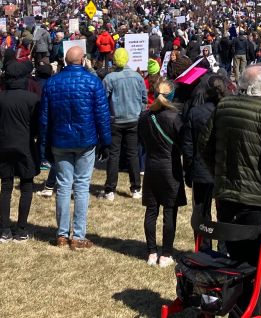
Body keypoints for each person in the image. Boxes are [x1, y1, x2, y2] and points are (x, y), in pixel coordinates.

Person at [201, 64, 261, 318]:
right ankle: (247, 312)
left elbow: (205, 147)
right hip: (255, 200)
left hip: (228, 195)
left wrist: (221, 176)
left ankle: (236, 308)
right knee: (257, 262)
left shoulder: (225, 105)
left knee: (234, 257)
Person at [38, 44, 112, 250]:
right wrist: (106, 142)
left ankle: (63, 234)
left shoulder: (53, 83)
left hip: (63, 140)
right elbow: (102, 116)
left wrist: (44, 145)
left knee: (64, 187)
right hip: (83, 140)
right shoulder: (93, 82)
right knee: (80, 187)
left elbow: (44, 119)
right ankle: (77, 235)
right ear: (84, 60)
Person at [0, 60, 40, 243]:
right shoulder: (32, 99)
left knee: (6, 187)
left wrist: (1, 132)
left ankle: (5, 230)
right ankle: (21, 229)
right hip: (25, 146)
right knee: (26, 187)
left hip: (4, 146)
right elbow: (38, 126)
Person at [138, 79, 186, 267]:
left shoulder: (144, 117)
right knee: (169, 211)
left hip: (151, 166)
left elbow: (142, 141)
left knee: (151, 210)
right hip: (169, 167)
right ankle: (166, 253)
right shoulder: (175, 118)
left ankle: (151, 251)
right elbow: (183, 144)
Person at [181, 73, 228, 242]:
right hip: (219, 169)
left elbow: (187, 146)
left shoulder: (196, 113)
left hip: (205, 168)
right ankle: (219, 247)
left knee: (203, 211)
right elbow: (187, 145)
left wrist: (188, 168)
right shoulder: (226, 111)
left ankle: (204, 246)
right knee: (222, 212)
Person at [99, 47, 146, 201]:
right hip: (133, 119)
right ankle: (136, 188)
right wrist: (139, 111)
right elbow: (144, 99)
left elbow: (103, 101)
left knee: (114, 155)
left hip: (116, 120)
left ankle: (110, 190)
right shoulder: (137, 77)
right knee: (132, 154)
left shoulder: (109, 78)